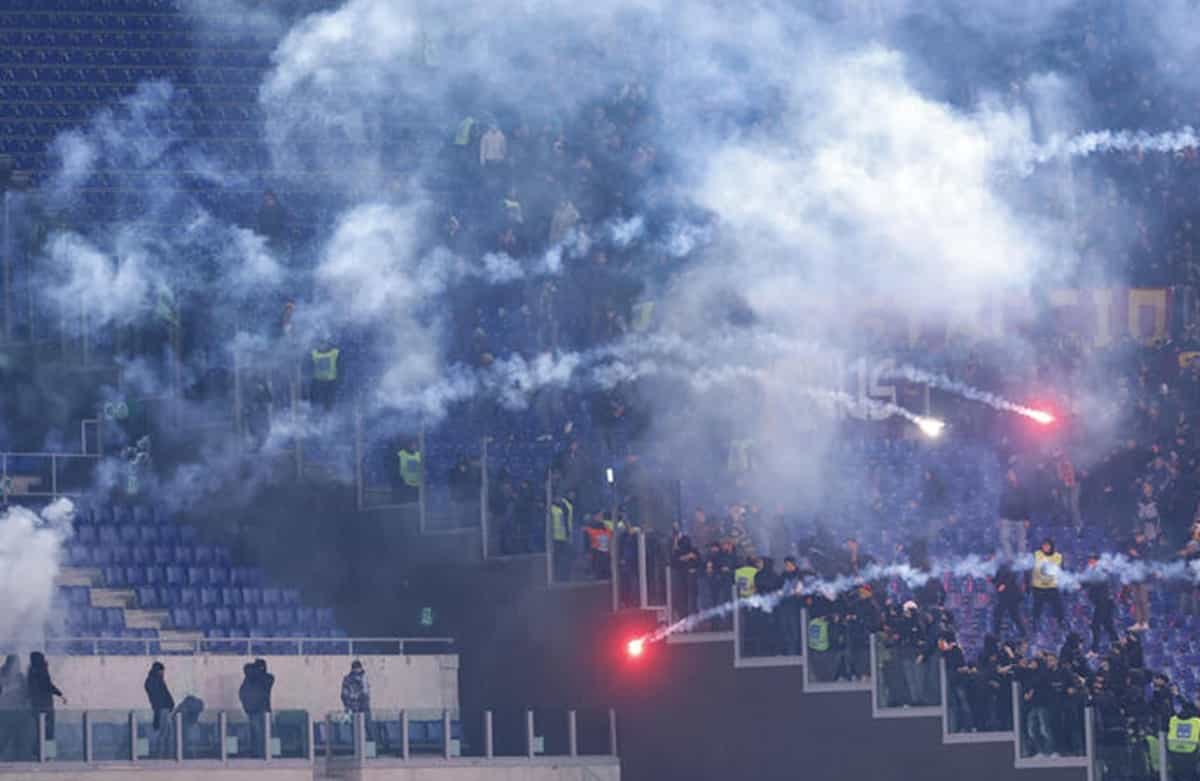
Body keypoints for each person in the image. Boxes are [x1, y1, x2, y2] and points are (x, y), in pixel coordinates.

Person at [26, 652, 65, 758]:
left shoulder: (31, 672)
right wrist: (60, 694)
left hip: (36, 706)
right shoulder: (41, 671)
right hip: (45, 706)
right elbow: (47, 685)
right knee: (48, 731)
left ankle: (39, 752)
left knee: (40, 730)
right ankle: (47, 754)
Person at [239, 659, 274, 758]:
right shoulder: (251, 678)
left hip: (263, 711)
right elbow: (247, 668)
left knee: (263, 733)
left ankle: (263, 753)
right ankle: (257, 753)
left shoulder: (267, 678)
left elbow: (265, 679)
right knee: (257, 733)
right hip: (254, 711)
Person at [939, 632, 974, 732]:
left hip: (957, 682)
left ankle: (967, 726)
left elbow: (959, 666)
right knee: (958, 705)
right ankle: (961, 727)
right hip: (956, 681)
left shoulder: (954, 651)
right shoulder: (951, 651)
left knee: (962, 704)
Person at [1085, 554, 1118, 652]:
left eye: (1092, 561)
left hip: (1103, 602)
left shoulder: (1100, 571)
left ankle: (1094, 649)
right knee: (1108, 625)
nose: (1089, 563)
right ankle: (1116, 645)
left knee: (1096, 625)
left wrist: (1082, 584)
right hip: (1102, 602)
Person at [1031, 538, 1065, 633]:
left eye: (1047, 545)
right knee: (1036, 608)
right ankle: (1034, 625)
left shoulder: (1058, 556)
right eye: (1044, 545)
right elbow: (1029, 568)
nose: (1045, 547)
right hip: (1038, 587)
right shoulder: (1036, 555)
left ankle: (1061, 624)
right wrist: (1027, 583)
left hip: (1052, 587)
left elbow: (1062, 571)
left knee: (1058, 607)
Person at [144, 661, 175, 759]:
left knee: (167, 733)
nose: (163, 673)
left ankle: (165, 755)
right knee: (164, 734)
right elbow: (160, 696)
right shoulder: (155, 681)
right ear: (158, 671)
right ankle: (162, 756)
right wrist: (169, 705)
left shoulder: (154, 680)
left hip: (163, 709)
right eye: (161, 671)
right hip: (163, 710)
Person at [998, 469, 1030, 559]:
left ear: (1016, 475)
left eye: (1012, 474)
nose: (1010, 476)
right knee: (1004, 538)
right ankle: (1009, 558)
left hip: (1020, 518)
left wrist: (1027, 518)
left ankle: (1021, 559)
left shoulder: (1022, 488)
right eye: (1009, 474)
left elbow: (1026, 503)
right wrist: (1000, 517)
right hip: (1007, 518)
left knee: (1021, 540)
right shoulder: (1005, 487)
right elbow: (1001, 502)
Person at [0, 655, 27, 761]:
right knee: (3, 737)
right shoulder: (1, 675)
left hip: (17, 714)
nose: (18, 667)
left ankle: (17, 758)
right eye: (16, 664)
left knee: (17, 738)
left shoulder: (21, 677)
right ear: (9, 664)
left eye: (18, 664)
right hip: (3, 713)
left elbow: (26, 693)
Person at [1125, 530, 1152, 631]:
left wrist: (1137, 554)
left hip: (1143, 577)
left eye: (1139, 536)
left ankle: (1145, 622)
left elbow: (1146, 559)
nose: (1137, 538)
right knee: (1135, 600)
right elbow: (1129, 559)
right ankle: (1138, 622)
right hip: (1134, 577)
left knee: (1143, 600)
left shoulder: (1146, 546)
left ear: (1143, 536)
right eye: (1136, 536)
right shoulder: (1133, 546)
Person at [992, 558, 1025, 638]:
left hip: (1010, 598)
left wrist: (1003, 585)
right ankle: (997, 633)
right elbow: (997, 581)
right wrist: (992, 580)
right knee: (999, 614)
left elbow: (1010, 579)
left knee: (1013, 615)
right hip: (1004, 598)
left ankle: (1023, 633)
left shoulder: (1011, 571)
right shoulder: (1000, 571)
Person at [340, 660, 372, 740]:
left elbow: (365, 693)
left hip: (361, 707)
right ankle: (359, 748)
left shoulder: (364, 678)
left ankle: (369, 747)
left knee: (367, 728)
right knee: (358, 730)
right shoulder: (348, 679)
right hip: (356, 708)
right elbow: (344, 695)